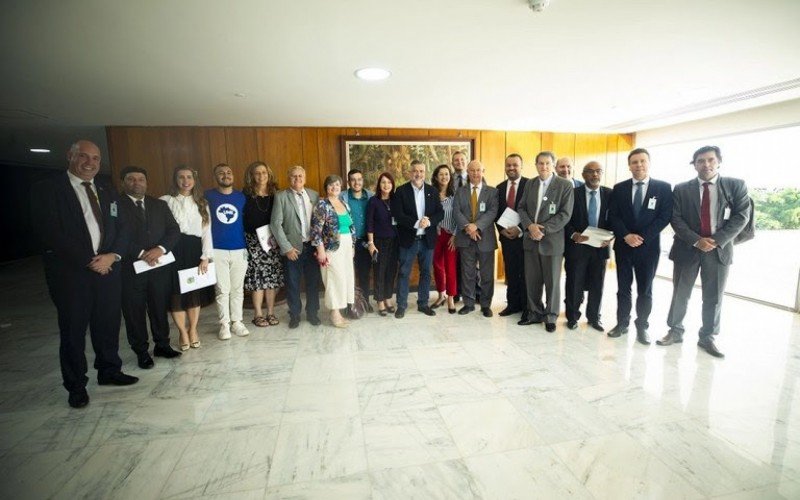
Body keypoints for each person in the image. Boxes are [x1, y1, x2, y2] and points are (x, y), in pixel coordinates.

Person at [31, 140, 138, 409]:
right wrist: (90, 261)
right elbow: (51, 233)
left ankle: (109, 370)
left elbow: (123, 228)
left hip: (108, 270)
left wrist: (113, 256)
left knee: (108, 324)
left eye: (96, 158)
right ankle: (76, 385)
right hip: (71, 275)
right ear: (70, 156)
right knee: (73, 330)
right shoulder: (48, 189)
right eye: (83, 156)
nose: (90, 162)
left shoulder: (107, 189)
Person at [659, 146, 751, 358]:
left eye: (710, 160)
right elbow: (675, 218)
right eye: (700, 161)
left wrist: (716, 240)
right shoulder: (681, 189)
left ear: (719, 162)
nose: (706, 164)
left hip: (718, 250)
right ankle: (675, 330)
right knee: (680, 292)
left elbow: (741, 217)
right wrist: (696, 240)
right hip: (687, 248)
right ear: (695, 164)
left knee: (714, 296)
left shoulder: (735, 185)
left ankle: (707, 336)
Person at [606, 148, 673, 345]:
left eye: (642, 161)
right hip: (624, 246)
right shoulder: (619, 188)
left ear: (649, 163)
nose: (639, 165)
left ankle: (642, 327)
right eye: (634, 162)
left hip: (648, 248)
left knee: (646, 290)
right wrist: (626, 235)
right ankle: (622, 324)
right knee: (623, 289)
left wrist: (642, 237)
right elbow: (614, 216)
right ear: (629, 166)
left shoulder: (663, 188)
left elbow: (664, 217)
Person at [118, 166, 182, 369]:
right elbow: (114, 234)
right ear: (123, 182)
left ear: (146, 182)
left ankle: (162, 345)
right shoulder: (114, 205)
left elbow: (173, 230)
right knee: (134, 311)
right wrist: (141, 253)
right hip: (130, 268)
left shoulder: (159, 205)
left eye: (141, 179)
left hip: (159, 267)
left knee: (159, 308)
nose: (137, 183)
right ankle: (141, 351)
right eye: (131, 179)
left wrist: (160, 249)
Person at [517, 151, 574, 332]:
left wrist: (542, 229)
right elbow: (522, 207)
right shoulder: (530, 184)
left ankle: (550, 316)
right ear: (536, 165)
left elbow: (565, 214)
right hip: (530, 240)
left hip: (551, 241)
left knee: (552, 282)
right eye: (540, 163)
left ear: (553, 165)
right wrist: (530, 227)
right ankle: (534, 313)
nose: (544, 167)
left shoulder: (564, 185)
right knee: (532, 280)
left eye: (547, 163)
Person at [160, 166, 215, 350]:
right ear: (175, 180)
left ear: (194, 179)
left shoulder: (202, 202)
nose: (185, 181)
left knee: (192, 292)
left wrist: (206, 256)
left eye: (189, 177)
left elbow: (207, 232)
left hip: (194, 250)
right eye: (181, 177)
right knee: (175, 294)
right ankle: (182, 333)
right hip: (172, 251)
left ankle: (193, 330)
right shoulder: (165, 201)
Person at [391, 160, 444, 318]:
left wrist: (429, 221)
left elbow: (439, 213)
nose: (418, 174)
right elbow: (398, 215)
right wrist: (416, 223)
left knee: (426, 273)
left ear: (425, 173)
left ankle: (423, 304)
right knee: (403, 273)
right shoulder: (401, 191)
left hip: (427, 239)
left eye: (421, 171)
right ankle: (401, 305)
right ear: (409, 172)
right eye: (415, 171)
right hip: (409, 240)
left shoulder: (432, 191)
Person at [271, 166, 322, 329]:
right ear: (288, 178)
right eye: (294, 176)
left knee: (313, 283)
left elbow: (319, 221)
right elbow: (276, 224)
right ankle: (294, 315)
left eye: (300, 176)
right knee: (292, 283)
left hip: (312, 247)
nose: (297, 179)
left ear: (305, 178)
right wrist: (286, 248)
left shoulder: (313, 195)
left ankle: (313, 313)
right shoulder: (281, 197)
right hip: (292, 249)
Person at [563, 161, 612, 332]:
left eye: (598, 171)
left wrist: (611, 236)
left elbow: (615, 220)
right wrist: (573, 234)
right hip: (578, 246)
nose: (595, 175)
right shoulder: (573, 193)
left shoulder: (609, 194)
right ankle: (572, 317)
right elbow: (565, 219)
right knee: (574, 283)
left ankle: (594, 318)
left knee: (597, 285)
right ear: (583, 175)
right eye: (590, 172)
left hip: (600, 248)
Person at [206, 163, 250, 340]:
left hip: (240, 248)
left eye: (229, 172)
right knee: (222, 290)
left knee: (237, 289)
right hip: (217, 249)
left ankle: (237, 322)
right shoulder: (208, 196)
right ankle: (224, 325)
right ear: (215, 177)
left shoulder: (241, 197)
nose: (226, 175)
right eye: (221, 173)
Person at [453, 160, 499, 316]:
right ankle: (469, 303)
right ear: (467, 171)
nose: (475, 173)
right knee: (467, 273)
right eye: (472, 170)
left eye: (478, 170)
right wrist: (468, 227)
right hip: (465, 239)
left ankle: (486, 305)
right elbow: (456, 212)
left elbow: (492, 212)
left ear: (483, 171)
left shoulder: (492, 192)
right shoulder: (460, 191)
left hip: (485, 239)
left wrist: (476, 226)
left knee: (487, 274)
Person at [242, 161, 284, 328]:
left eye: (264, 173)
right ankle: (258, 314)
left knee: (272, 278)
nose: (261, 176)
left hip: (272, 242)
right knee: (257, 278)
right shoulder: (245, 195)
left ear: (269, 174)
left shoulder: (276, 195)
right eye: (257, 173)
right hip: (253, 241)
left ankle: (271, 312)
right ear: (252, 176)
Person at [312, 175, 356, 327]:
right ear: (326, 187)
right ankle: (334, 314)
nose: (334, 187)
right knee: (334, 279)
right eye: (331, 185)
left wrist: (352, 246)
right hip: (331, 248)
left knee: (344, 278)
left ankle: (339, 311)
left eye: (337, 185)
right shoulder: (322, 205)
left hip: (346, 245)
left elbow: (351, 226)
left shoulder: (344, 203)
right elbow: (316, 231)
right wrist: (321, 251)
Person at [495, 154, 529, 318]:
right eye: (508, 165)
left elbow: (533, 212)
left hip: (526, 237)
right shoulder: (499, 188)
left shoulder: (530, 185)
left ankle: (527, 306)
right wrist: (501, 230)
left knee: (527, 273)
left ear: (521, 166)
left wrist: (521, 229)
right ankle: (512, 304)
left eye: (515, 165)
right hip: (506, 237)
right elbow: (496, 212)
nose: (511, 168)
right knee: (511, 272)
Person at [340, 169, 374, 311]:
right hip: (347, 241)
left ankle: (365, 302)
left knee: (364, 273)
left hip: (366, 241)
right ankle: (349, 304)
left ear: (362, 180)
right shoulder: (342, 197)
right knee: (347, 273)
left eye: (359, 179)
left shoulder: (371, 197)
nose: (356, 182)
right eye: (353, 179)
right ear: (348, 182)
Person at [366, 172, 399, 316]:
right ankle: (380, 300)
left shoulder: (396, 200)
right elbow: (370, 224)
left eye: (389, 183)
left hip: (395, 241)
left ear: (393, 185)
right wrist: (371, 243)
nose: (386, 185)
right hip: (379, 242)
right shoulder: (374, 201)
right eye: (383, 182)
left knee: (391, 272)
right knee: (379, 271)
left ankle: (387, 297)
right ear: (379, 184)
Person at [430, 164, 458, 313]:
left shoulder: (455, 196)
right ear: (436, 177)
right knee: (437, 265)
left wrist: (455, 235)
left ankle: (450, 298)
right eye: (441, 174)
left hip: (451, 235)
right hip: (436, 235)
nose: (444, 177)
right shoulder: (431, 195)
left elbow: (460, 217)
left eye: (446, 174)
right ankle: (441, 294)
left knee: (450, 267)